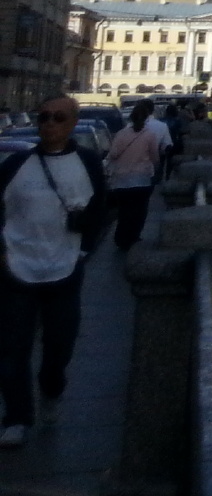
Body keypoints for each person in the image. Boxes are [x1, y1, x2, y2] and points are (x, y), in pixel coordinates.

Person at [0, 96, 109, 447]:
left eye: (58, 118)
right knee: (11, 350)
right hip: (17, 269)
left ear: (72, 123)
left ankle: (51, 388)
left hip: (65, 268)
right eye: (44, 117)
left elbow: (101, 209)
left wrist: (85, 249)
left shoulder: (87, 162)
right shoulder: (17, 163)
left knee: (59, 347)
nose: (49, 124)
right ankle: (16, 418)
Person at [104, 102, 168, 251]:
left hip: (121, 179)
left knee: (124, 210)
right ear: (146, 118)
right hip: (142, 178)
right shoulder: (149, 135)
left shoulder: (121, 134)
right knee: (139, 210)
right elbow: (155, 157)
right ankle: (134, 235)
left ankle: (121, 237)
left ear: (131, 118)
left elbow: (113, 154)